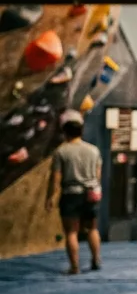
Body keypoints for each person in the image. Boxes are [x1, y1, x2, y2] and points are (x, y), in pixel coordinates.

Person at [47, 117, 102, 275]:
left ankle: (74, 267)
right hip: (91, 193)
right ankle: (96, 260)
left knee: (71, 232)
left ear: (65, 133)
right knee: (92, 228)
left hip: (71, 194)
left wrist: (50, 197)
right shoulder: (93, 150)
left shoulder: (61, 151)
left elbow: (56, 177)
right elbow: (98, 174)